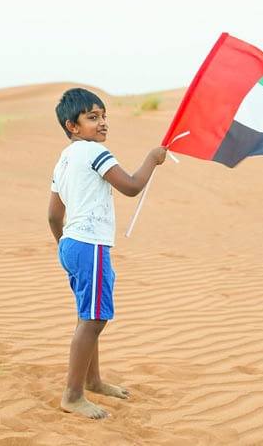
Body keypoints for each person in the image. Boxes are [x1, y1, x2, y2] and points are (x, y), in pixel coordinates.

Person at [47, 87, 166, 419]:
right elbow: (130, 186)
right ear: (72, 125)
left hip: (71, 243)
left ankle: (93, 380)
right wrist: (152, 160)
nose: (102, 124)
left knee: (88, 315)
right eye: (92, 117)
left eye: (103, 116)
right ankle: (72, 395)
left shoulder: (65, 159)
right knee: (94, 319)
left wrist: (65, 245)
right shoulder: (93, 153)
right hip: (89, 245)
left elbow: (54, 215)